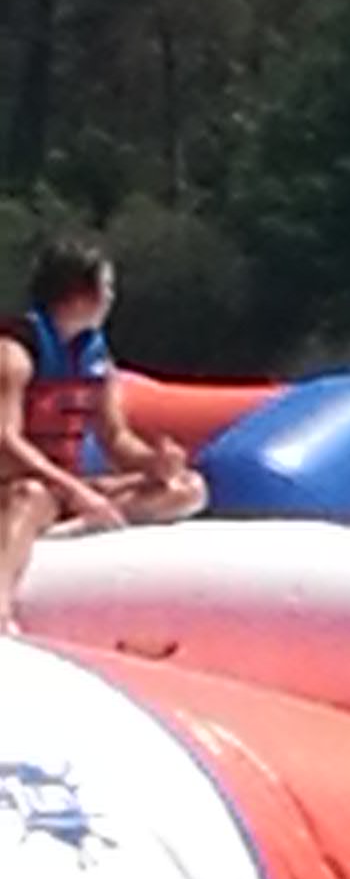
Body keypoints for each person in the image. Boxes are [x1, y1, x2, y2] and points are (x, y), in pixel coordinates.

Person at [0, 237, 207, 630]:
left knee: (188, 488)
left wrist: (155, 463)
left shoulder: (96, 360)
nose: (111, 297)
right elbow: (6, 441)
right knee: (30, 495)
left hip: (62, 491)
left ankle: (68, 529)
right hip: (14, 487)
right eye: (107, 287)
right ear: (81, 293)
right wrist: (76, 492)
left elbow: (115, 439)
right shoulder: (13, 354)